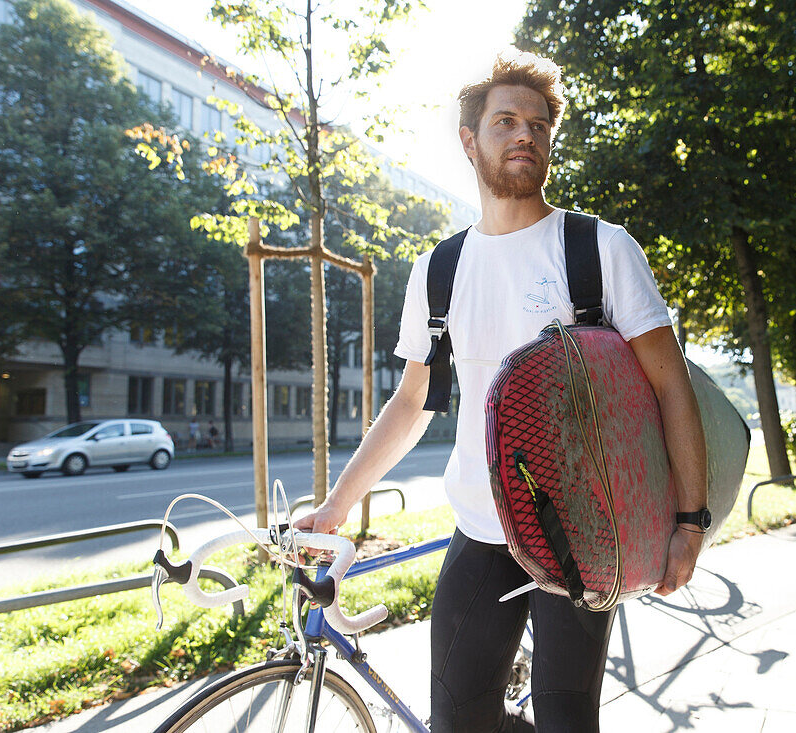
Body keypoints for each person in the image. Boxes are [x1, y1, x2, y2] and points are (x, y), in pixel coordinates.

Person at [297, 49, 708, 733]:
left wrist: (688, 522)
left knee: (566, 722)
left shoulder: (599, 249)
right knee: (457, 721)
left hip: (583, 532)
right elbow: (411, 402)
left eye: (539, 125)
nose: (525, 134)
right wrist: (339, 503)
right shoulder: (439, 269)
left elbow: (672, 386)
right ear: (469, 140)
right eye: (506, 121)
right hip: (480, 529)